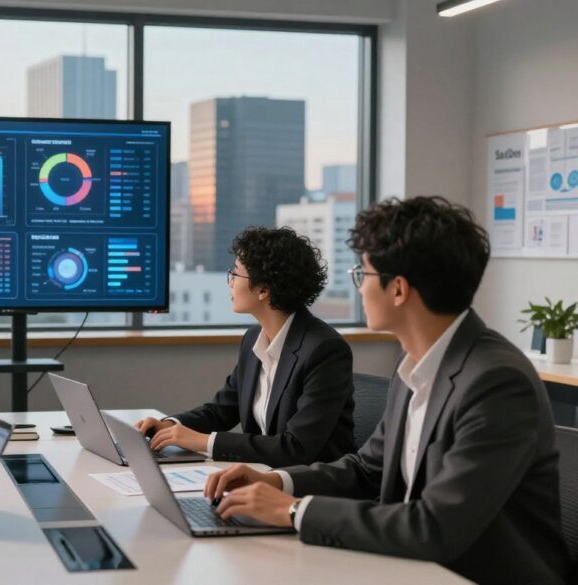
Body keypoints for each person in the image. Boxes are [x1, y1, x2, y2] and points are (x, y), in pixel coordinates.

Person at [203, 197, 571, 585]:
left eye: (363, 275)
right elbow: (367, 469)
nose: (359, 289)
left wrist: (293, 511)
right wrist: (277, 482)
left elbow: (435, 527)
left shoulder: (495, 382)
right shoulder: (415, 364)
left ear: (398, 290)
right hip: (412, 567)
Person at [134, 226, 355, 467]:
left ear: (263, 289)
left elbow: (296, 448)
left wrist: (203, 442)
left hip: (311, 489)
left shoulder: (324, 350)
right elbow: (222, 410)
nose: (230, 282)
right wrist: (170, 426)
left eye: (236, 274)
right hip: (261, 476)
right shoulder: (253, 339)